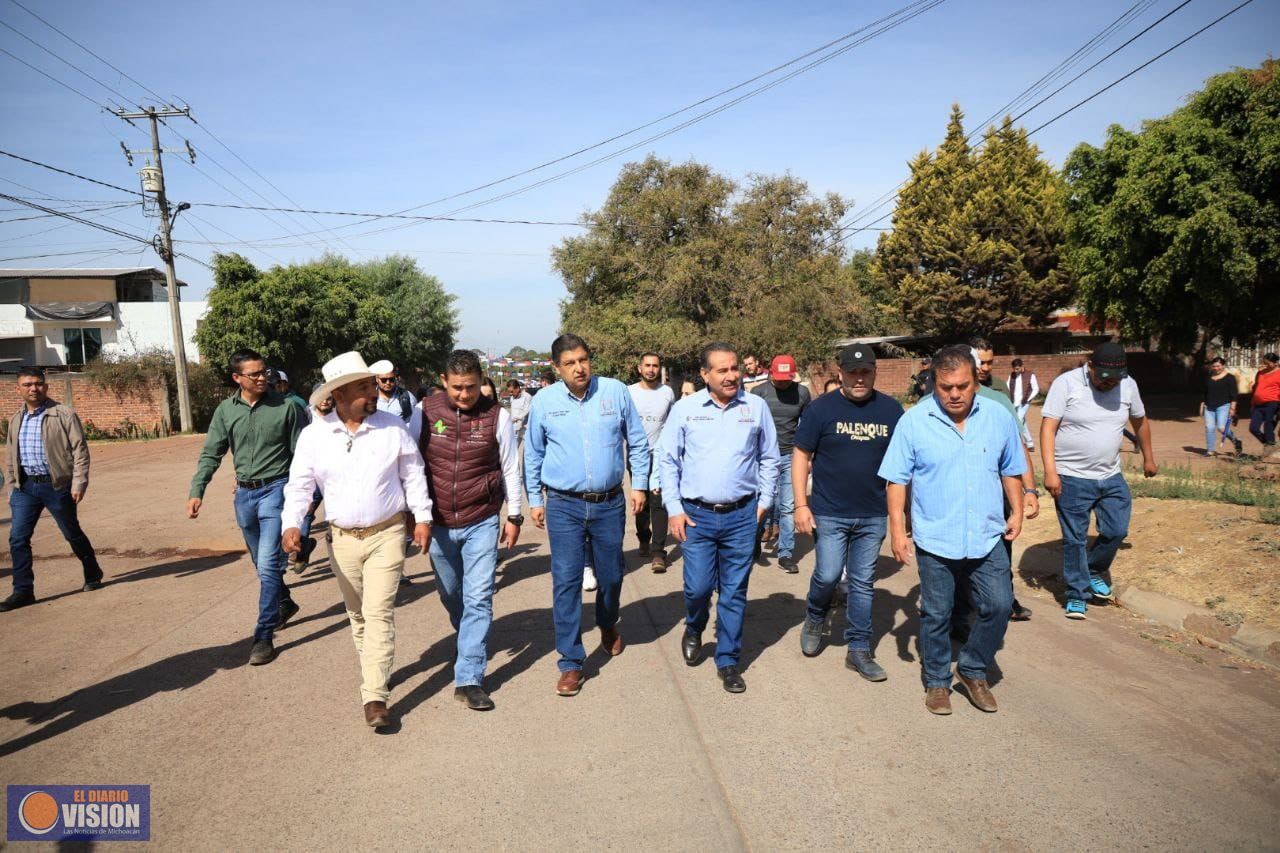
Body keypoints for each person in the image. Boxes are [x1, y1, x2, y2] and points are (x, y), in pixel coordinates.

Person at [282, 351, 432, 729]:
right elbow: (300, 485)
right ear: (342, 393)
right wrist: (292, 524)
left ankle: (375, 694)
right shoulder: (315, 436)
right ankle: (375, 671)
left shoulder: (392, 428)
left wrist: (423, 517)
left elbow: (413, 473)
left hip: (388, 533)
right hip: (342, 539)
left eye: (372, 385)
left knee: (379, 612)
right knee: (358, 615)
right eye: (365, 387)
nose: (374, 393)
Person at [879, 344, 1026, 716]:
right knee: (937, 613)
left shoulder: (997, 416)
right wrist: (897, 531)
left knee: (998, 604)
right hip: (936, 536)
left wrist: (1019, 509)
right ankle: (938, 682)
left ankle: (973, 668)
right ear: (934, 383)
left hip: (987, 532)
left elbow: (1011, 467)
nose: (955, 394)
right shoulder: (914, 421)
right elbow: (896, 480)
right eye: (946, 387)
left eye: (962, 385)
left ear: (976, 379)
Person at [524, 333, 650, 697]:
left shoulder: (614, 393)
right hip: (563, 504)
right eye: (570, 363)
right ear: (556, 367)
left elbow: (637, 442)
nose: (579, 368)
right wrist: (535, 498)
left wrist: (638, 484)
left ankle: (608, 622)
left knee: (611, 576)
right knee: (565, 580)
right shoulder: (545, 402)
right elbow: (533, 453)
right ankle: (571, 661)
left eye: (583, 359)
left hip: (609, 502)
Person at [660, 342, 780, 694]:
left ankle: (727, 660)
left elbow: (770, 458)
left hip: (743, 515)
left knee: (734, 592)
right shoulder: (686, 409)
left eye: (734, 369)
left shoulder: (755, 408)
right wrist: (674, 508)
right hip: (696, 516)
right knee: (697, 588)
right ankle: (695, 626)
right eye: (722, 370)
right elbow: (667, 460)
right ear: (705, 374)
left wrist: (765, 501)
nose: (731, 376)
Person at [418, 350, 523, 712]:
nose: (465, 395)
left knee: (479, 597)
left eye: (472, 387)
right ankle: (469, 640)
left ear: (482, 381)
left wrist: (515, 515)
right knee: (451, 593)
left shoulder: (498, 417)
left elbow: (510, 467)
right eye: (458, 388)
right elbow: (411, 464)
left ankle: (470, 677)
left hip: (482, 518)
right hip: (440, 523)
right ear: (443, 381)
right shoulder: (424, 413)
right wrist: (414, 513)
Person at [187, 348, 304, 665]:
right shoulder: (226, 411)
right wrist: (198, 489)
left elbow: (304, 458)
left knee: (268, 565)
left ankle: (263, 636)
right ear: (237, 378)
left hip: (276, 490)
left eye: (264, 372)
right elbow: (212, 452)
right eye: (254, 374)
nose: (263, 377)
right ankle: (284, 602)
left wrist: (303, 501)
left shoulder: (287, 408)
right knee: (260, 565)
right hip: (244, 496)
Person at [793, 346, 902, 681]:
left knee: (861, 583)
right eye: (852, 372)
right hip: (830, 512)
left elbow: (903, 465)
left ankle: (858, 649)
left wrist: (902, 518)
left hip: (872, 514)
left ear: (874, 373)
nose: (859, 378)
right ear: (840, 372)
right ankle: (815, 614)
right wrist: (800, 504)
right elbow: (801, 455)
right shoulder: (820, 409)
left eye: (865, 372)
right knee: (827, 575)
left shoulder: (891, 410)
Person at [1041, 342, 1158, 620]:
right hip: (1071, 476)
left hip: (1110, 475)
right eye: (1104, 378)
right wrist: (1050, 471)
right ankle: (1076, 594)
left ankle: (1092, 569)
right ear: (1090, 367)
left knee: (1117, 530)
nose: (1109, 384)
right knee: (1074, 539)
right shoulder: (1066, 384)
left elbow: (1140, 421)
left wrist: (1149, 458)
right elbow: (1048, 427)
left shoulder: (1128, 385)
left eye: (1115, 379)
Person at [2, 367, 103, 611]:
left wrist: (79, 483)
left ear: (46, 387)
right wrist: (12, 487)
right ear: (18, 389)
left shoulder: (63, 414)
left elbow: (80, 450)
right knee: (17, 538)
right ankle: (23, 591)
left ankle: (92, 571)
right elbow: (10, 455)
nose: (33, 388)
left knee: (71, 532)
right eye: (27, 384)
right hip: (25, 487)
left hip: (56, 485)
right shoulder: (16, 419)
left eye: (37, 384)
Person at [751, 354, 810, 573]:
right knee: (760, 503)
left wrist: (807, 457)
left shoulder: (802, 393)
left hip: (790, 457)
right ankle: (754, 544)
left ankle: (785, 553)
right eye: (779, 378)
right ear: (770, 374)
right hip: (761, 458)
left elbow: (807, 426)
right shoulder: (759, 393)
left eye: (787, 378)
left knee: (787, 507)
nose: (783, 382)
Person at [628, 352, 675, 572]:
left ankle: (658, 552)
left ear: (660, 368)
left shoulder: (667, 393)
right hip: (636, 456)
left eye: (655, 365)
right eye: (647, 365)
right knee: (642, 502)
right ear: (639, 368)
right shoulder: (629, 393)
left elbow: (672, 423)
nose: (651, 369)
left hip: (660, 456)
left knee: (659, 501)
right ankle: (643, 537)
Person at [1202, 357, 1241, 455]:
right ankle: (1210, 450)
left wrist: (1233, 408)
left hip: (1223, 405)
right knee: (1209, 427)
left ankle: (1236, 441)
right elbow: (1205, 392)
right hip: (1209, 406)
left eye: (1218, 366)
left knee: (1221, 428)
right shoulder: (1209, 376)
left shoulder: (1229, 377)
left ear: (1223, 365)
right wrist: (1202, 404)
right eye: (1214, 366)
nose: (1216, 368)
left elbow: (1234, 394)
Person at [1249, 353, 1279, 449]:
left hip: (1273, 403)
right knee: (1253, 428)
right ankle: (1269, 444)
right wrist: (1252, 403)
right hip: (1258, 404)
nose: (1266, 365)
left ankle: (1270, 447)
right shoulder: (1260, 373)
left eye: (1268, 363)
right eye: (1264, 363)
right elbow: (1256, 388)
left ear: (1275, 363)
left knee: (1268, 425)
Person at [1008, 358, 1039, 449]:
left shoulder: (1030, 375)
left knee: (1017, 421)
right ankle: (1030, 444)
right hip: (1014, 402)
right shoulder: (1012, 375)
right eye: (1014, 369)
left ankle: (1013, 444)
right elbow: (1007, 386)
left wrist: (1028, 399)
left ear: (1022, 366)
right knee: (1022, 422)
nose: (1015, 371)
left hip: (1024, 403)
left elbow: (1036, 389)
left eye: (1017, 369)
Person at [506, 378, 532, 445]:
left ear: (517, 388)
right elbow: (513, 411)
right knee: (514, 449)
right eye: (509, 391)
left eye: (512, 391)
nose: (510, 393)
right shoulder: (512, 398)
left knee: (527, 449)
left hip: (525, 428)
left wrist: (517, 418)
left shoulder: (527, 396)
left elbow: (528, 410)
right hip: (514, 426)